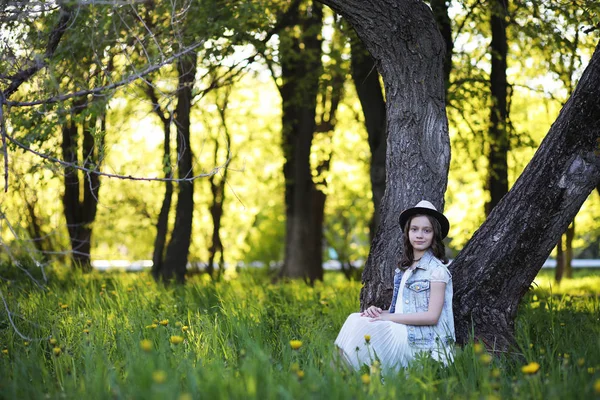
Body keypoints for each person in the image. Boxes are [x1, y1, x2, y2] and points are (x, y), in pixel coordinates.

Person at [334, 200, 455, 371]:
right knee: (357, 318)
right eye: (415, 229)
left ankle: (338, 375)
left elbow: (431, 317)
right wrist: (378, 313)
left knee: (360, 325)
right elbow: (401, 311)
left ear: (434, 234)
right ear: (408, 232)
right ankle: (338, 375)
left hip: (423, 343)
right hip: (405, 331)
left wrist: (387, 317)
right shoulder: (404, 270)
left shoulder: (437, 271)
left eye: (426, 230)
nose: (420, 235)